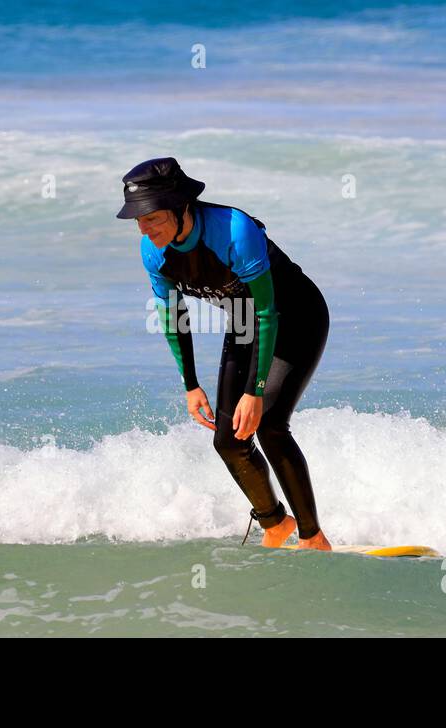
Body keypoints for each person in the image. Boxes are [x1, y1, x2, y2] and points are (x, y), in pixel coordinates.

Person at [117, 157, 332, 551]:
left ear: (181, 206)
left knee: (268, 425)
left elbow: (267, 311)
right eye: (138, 221)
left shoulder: (234, 230)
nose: (144, 229)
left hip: (296, 318)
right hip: (246, 323)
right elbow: (174, 318)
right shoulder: (154, 252)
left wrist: (255, 390)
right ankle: (275, 523)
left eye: (151, 218)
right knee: (228, 440)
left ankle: (313, 536)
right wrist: (190, 384)